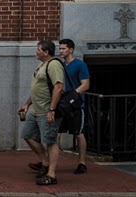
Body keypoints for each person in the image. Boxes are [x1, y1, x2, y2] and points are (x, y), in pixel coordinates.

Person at [18, 39, 65, 185]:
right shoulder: (41, 65)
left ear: (46, 52)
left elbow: (58, 87)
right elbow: (38, 88)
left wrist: (51, 110)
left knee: (50, 141)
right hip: (35, 109)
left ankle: (51, 175)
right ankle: (44, 161)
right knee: (27, 135)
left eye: (38, 49)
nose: (36, 51)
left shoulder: (54, 64)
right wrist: (27, 104)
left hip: (47, 110)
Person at [57, 38, 91, 174]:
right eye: (60, 48)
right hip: (62, 104)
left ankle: (82, 162)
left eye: (63, 48)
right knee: (56, 132)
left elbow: (86, 84)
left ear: (71, 50)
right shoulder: (60, 65)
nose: (61, 51)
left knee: (78, 133)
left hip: (76, 105)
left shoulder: (80, 65)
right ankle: (50, 161)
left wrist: (72, 95)